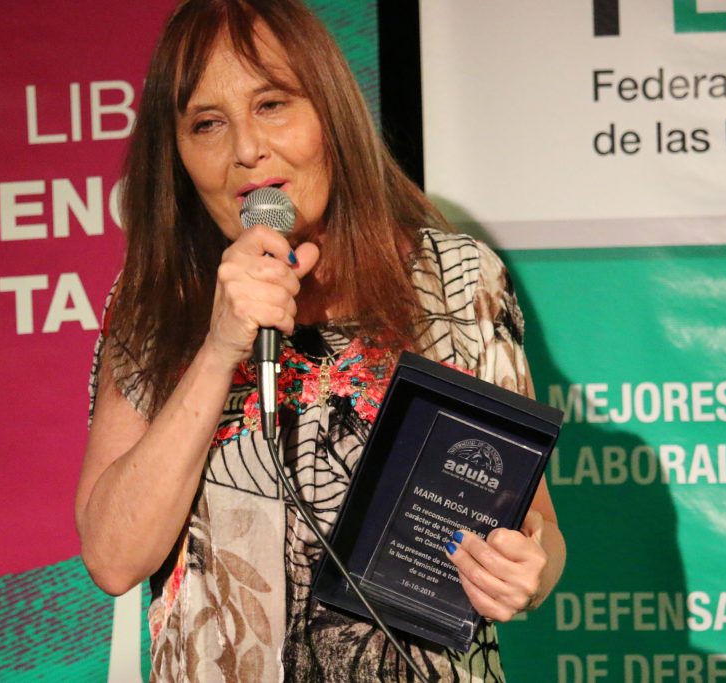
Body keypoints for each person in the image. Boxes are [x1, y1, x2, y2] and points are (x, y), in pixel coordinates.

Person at [75, 0, 566, 680]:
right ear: (179, 153)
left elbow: (536, 526)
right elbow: (113, 555)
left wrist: (525, 575)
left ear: (329, 111)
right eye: (207, 123)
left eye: (272, 104)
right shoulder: (155, 302)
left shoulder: (458, 284)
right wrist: (220, 345)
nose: (246, 148)